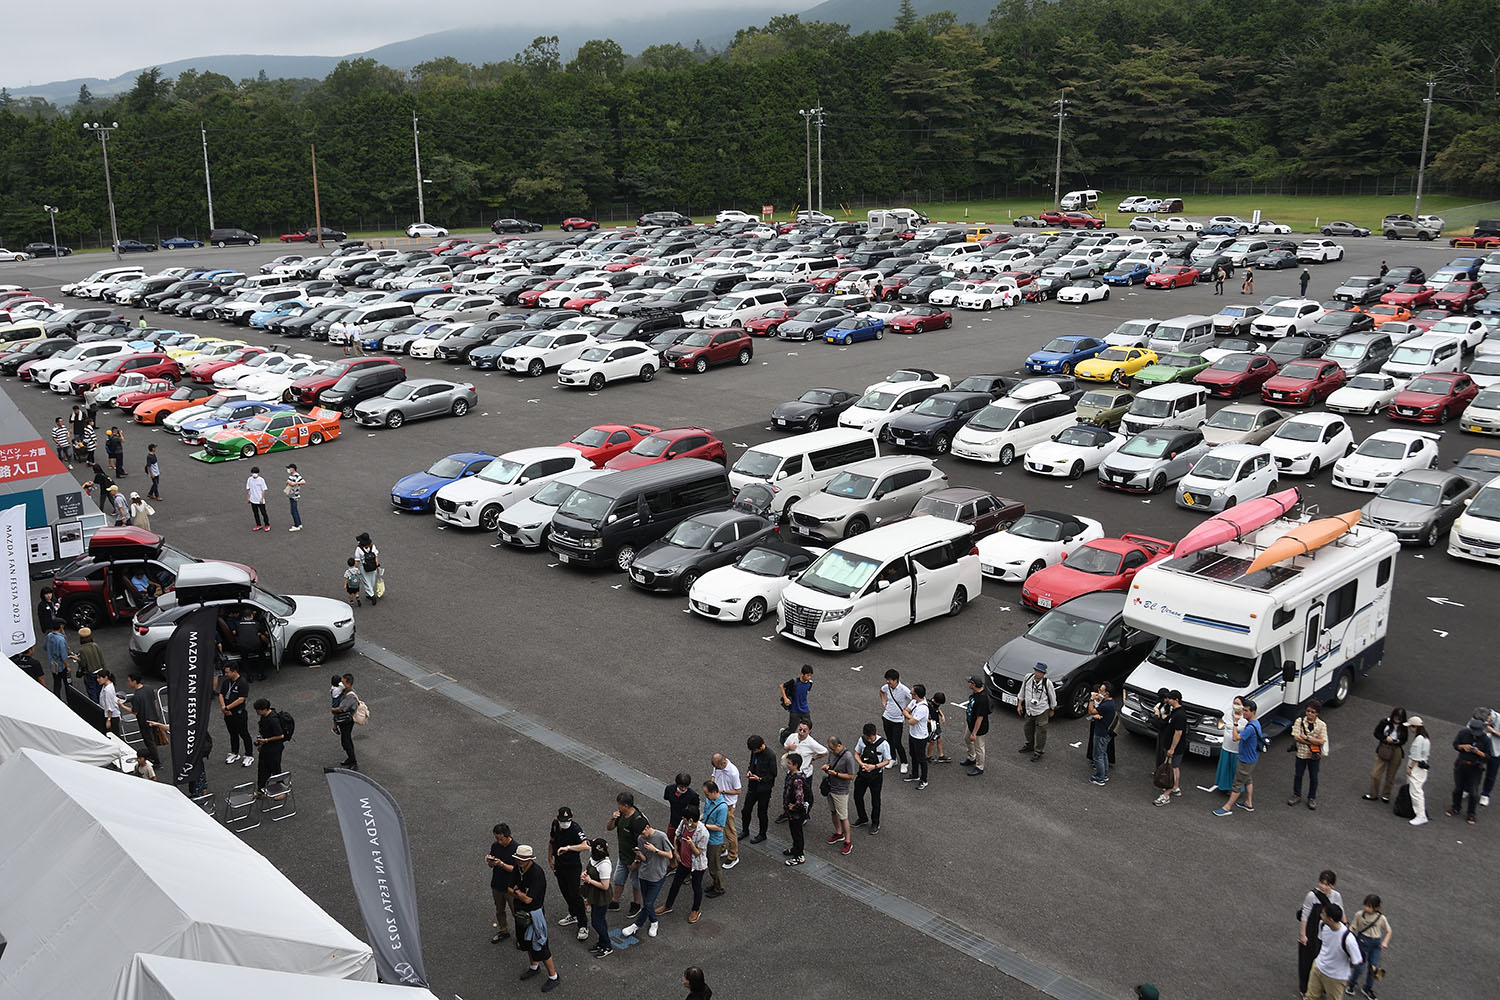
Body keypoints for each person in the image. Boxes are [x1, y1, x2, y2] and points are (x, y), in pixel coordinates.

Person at [511, 845, 560, 992]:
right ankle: (534, 966)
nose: (520, 861)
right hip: (521, 914)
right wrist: (520, 893)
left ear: (529, 859)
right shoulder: (517, 869)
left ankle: (554, 976)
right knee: (525, 942)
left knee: (540, 945)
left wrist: (517, 892)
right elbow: (509, 888)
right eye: (518, 858)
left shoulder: (537, 873)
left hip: (534, 915)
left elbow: (528, 900)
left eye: (523, 859)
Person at [620, 815, 671, 939]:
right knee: (647, 903)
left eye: (643, 832)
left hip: (657, 875)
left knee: (648, 903)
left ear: (647, 827)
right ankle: (647, 922)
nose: (642, 835)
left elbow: (670, 855)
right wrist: (638, 855)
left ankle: (644, 923)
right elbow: (645, 859)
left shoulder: (661, 836)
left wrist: (655, 850)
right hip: (644, 874)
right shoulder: (640, 839)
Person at [547, 806, 591, 939]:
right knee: (565, 891)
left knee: (575, 894)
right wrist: (550, 857)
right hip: (559, 865)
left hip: (572, 866)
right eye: (562, 820)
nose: (565, 822)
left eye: (567, 820)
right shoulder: (555, 825)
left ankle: (583, 925)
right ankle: (573, 914)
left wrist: (569, 848)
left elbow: (586, 845)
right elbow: (551, 841)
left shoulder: (575, 829)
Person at [657, 806, 707, 923]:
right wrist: (676, 852)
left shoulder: (703, 833)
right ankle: (668, 905)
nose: (682, 819)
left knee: (696, 887)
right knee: (675, 884)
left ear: (690, 820)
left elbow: (698, 852)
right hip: (683, 861)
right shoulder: (683, 824)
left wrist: (691, 845)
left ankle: (696, 910)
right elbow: (677, 835)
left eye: (684, 818)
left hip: (697, 865)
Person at [1298, 870, 1344, 995]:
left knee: (1323, 961)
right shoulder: (1312, 896)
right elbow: (1304, 915)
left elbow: (1341, 913)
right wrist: (1303, 934)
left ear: (1333, 885)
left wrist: (1345, 929)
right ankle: (1305, 989)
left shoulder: (1336, 896)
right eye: (1322, 883)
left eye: (1327, 884)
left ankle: (1320, 987)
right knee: (1307, 961)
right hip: (1312, 932)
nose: (1323, 886)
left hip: (1328, 933)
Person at [1303, 902, 1362, 1000]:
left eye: (1323, 914)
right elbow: (1323, 942)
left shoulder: (1348, 939)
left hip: (1336, 977)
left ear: (1330, 919)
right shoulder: (1323, 925)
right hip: (1318, 968)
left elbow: (1357, 961)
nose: (1321, 915)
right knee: (1310, 997)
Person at [1217, 699, 1262, 816]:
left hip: (1245, 759)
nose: (1244, 713)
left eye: (1246, 711)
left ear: (1253, 712)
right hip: (1252, 758)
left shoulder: (1250, 728)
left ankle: (1227, 807)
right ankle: (1248, 802)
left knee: (1237, 784)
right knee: (1248, 779)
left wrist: (1235, 723)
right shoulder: (1256, 724)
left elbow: (1235, 737)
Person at [606, 791, 647, 916]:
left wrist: (637, 861)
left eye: (619, 804)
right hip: (622, 855)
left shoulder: (637, 821)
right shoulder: (621, 816)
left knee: (636, 883)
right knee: (618, 879)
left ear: (626, 805)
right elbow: (609, 828)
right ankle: (615, 901)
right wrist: (613, 818)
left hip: (633, 859)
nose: (617, 806)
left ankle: (636, 904)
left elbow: (642, 844)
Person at [780, 721, 826, 821]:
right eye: (799, 729)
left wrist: (813, 759)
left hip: (804, 775)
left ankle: (804, 815)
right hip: (791, 772)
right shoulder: (792, 736)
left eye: (804, 730)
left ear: (809, 731)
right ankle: (786, 812)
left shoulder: (811, 743)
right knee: (788, 793)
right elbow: (785, 746)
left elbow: (824, 751)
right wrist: (789, 747)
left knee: (804, 796)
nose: (801, 732)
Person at [1448, 709, 1489, 824]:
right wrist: (1463, 746)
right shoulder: (1463, 733)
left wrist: (1478, 752)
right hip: (1461, 764)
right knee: (1458, 789)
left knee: (1473, 792)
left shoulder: (1485, 739)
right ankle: (1456, 807)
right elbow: (1455, 745)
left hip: (1475, 768)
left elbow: (1488, 756)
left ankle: (1471, 813)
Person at [820, 735, 857, 854]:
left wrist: (835, 773)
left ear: (840, 746)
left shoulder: (848, 757)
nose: (832, 751)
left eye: (834, 749)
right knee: (833, 812)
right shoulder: (832, 753)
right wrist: (827, 766)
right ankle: (838, 833)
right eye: (830, 749)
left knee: (843, 816)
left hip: (841, 791)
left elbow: (851, 776)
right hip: (831, 787)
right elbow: (830, 762)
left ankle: (847, 841)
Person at [1289, 699, 1328, 810]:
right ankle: (1296, 795)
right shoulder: (1299, 721)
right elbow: (1296, 737)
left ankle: (1312, 797)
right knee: (1298, 775)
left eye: (1312, 712)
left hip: (1314, 755)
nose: (1309, 714)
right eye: (1308, 711)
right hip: (1301, 754)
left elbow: (1322, 741)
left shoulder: (1322, 725)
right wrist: (1313, 740)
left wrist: (1306, 738)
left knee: (1314, 777)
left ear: (1317, 713)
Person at [1349, 895, 1391, 999]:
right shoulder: (1359, 915)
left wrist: (1385, 941)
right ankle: (1352, 983)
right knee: (1360, 967)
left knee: (1374, 968)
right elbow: (1352, 927)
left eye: (1369, 906)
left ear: (1376, 908)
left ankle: (1367, 988)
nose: (1366, 908)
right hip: (1363, 941)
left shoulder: (1381, 918)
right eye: (1365, 905)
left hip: (1376, 944)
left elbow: (1389, 930)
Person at [579, 838, 614, 957]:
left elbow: (605, 886)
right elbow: (589, 868)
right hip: (594, 894)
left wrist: (589, 880)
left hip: (601, 897)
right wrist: (585, 873)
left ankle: (607, 946)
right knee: (599, 919)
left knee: (596, 922)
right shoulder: (594, 858)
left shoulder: (605, 865)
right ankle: (602, 942)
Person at [1365, 706, 1408, 803]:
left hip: (1396, 750)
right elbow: (1376, 733)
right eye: (1396, 717)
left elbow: (1405, 739)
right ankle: (1373, 794)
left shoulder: (1404, 726)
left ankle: (1386, 795)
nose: (1397, 720)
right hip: (1384, 747)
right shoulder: (1385, 722)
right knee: (1375, 774)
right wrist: (1385, 738)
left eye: (1400, 719)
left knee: (1391, 775)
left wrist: (1398, 741)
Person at [122, 673, 164, 770]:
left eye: (129, 681)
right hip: (154, 718)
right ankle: (153, 756)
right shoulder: (149, 688)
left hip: (144, 721)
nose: (128, 683)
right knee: (153, 738)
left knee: (149, 741)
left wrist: (122, 706)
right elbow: (155, 702)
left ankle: (157, 761)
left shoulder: (137, 696)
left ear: (134, 681)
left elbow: (135, 712)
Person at [1017, 663, 1057, 763]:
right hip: (1029, 709)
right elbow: (1022, 691)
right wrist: (1019, 704)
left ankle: (1038, 751)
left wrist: (1052, 709)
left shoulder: (1047, 683)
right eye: (1037, 671)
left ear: (1044, 673)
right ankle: (1029, 745)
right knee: (1028, 729)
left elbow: (1053, 698)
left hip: (1042, 711)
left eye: (1041, 672)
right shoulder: (1028, 677)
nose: (1038, 674)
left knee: (1041, 733)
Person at [486, 823, 519, 944]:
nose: (499, 842)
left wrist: (501, 864)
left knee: (516, 912)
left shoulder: (516, 848)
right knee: (499, 909)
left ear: (507, 835)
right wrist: (490, 862)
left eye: (501, 839)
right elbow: (491, 864)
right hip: (497, 883)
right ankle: (503, 930)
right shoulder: (495, 846)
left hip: (511, 886)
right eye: (497, 839)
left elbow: (516, 870)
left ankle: (522, 935)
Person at [1154, 690, 1187, 806]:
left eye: (1170, 698)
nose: (1168, 700)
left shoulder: (1180, 715)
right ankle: (1175, 787)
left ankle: (1166, 795)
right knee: (1175, 767)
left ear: (1176, 700)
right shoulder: (1175, 712)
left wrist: (1172, 749)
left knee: (1171, 769)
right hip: (1172, 746)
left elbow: (1178, 733)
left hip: (1175, 748)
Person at [741, 735, 776, 843]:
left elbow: (773, 774)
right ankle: (745, 830)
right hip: (753, 786)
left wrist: (760, 778)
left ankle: (762, 834)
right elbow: (751, 764)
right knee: (746, 810)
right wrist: (749, 771)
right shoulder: (754, 752)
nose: (754, 752)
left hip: (764, 789)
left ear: (761, 747)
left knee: (762, 813)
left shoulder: (770, 755)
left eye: (755, 750)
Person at [709, 752, 741, 868]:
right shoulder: (717, 766)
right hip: (716, 800)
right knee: (716, 827)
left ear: (723, 763)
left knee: (729, 831)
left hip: (727, 804)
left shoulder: (733, 772)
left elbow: (738, 791)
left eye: (717, 767)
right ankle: (722, 849)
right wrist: (712, 784)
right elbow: (714, 775)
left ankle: (733, 856)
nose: (716, 769)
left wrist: (722, 791)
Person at [217, 663, 253, 767]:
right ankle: (234, 752)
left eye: (228, 672)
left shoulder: (242, 683)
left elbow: (241, 699)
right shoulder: (226, 682)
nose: (226, 674)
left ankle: (249, 755)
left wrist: (228, 708)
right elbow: (221, 694)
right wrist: (224, 707)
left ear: (235, 671)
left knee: (244, 734)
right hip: (227, 713)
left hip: (238, 713)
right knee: (232, 733)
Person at [879, 669, 912, 772]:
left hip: (898, 720)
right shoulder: (887, 687)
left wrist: (907, 711)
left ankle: (904, 762)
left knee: (897, 742)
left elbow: (915, 699)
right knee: (889, 741)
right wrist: (884, 702)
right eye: (886, 679)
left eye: (889, 680)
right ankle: (893, 759)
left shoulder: (904, 689)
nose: (887, 682)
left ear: (896, 680)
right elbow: (881, 691)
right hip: (887, 717)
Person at [1211, 696, 1246, 792]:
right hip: (1226, 745)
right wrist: (1233, 726)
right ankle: (1224, 786)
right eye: (1235, 703)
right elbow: (1223, 724)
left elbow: (1242, 728)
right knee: (1225, 767)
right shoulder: (1228, 713)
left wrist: (1233, 726)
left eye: (1238, 704)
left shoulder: (1244, 717)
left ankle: (1235, 788)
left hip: (1237, 748)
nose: (1236, 706)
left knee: (1235, 768)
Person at [700, 781, 728, 897]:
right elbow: (705, 813)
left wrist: (703, 825)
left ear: (714, 792)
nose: (706, 796)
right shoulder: (709, 801)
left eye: (707, 794)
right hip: (706, 835)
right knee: (710, 863)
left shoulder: (722, 807)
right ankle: (715, 884)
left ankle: (719, 888)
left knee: (714, 865)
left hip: (714, 840)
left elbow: (719, 827)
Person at [901, 685, 932, 788]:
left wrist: (909, 716)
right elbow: (905, 710)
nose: (910, 694)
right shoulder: (914, 702)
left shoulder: (923, 708)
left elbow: (912, 721)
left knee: (921, 758)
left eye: (912, 693)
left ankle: (924, 779)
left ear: (917, 695)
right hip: (913, 734)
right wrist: (909, 716)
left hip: (920, 737)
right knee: (913, 754)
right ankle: (915, 774)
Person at [252, 698, 286, 793]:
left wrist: (266, 740)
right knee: (262, 769)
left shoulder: (273, 720)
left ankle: (281, 790)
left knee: (275, 769)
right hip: (266, 748)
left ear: (264, 709)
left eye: (258, 710)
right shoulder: (264, 717)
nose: (257, 712)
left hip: (274, 748)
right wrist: (262, 744)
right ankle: (261, 790)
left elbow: (280, 735)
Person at [781, 754, 809, 866]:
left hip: (796, 814)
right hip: (792, 812)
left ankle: (799, 855)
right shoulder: (792, 775)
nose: (786, 765)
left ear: (795, 765)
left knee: (797, 833)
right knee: (794, 832)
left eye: (789, 763)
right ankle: (795, 849)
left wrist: (795, 807)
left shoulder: (797, 780)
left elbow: (800, 797)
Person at [1087, 682, 1116, 785]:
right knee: (1103, 753)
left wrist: (1091, 699)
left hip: (1101, 733)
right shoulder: (1111, 702)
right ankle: (1104, 774)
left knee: (1098, 755)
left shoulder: (1106, 705)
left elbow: (1091, 711)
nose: (1099, 692)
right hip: (1106, 732)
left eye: (1101, 691)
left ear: (1107, 693)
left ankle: (1100, 777)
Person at [962, 675, 991, 777]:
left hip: (978, 728)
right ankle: (971, 758)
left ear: (973, 685)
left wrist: (974, 733)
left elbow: (980, 718)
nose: (968, 683)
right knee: (966, 739)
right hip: (971, 724)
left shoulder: (982, 699)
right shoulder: (975, 693)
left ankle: (979, 767)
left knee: (979, 747)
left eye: (969, 682)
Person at [1405, 716, 1431, 825]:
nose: (1410, 729)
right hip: (1422, 766)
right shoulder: (1425, 738)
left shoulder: (1419, 739)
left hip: (1416, 767)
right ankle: (1417, 812)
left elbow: (1415, 757)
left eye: (1411, 726)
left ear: (1415, 727)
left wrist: (1410, 768)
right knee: (1416, 789)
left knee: (1415, 791)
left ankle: (1421, 815)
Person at [778, 664, 814, 741]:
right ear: (802, 674)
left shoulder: (810, 683)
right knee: (792, 729)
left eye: (810, 676)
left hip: (805, 709)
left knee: (808, 726)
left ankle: (804, 742)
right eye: (808, 675)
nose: (809, 678)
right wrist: (785, 698)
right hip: (795, 709)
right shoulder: (794, 682)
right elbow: (782, 686)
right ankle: (783, 735)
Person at [332, 673, 360, 769]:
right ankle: (350, 758)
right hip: (343, 719)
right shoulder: (344, 691)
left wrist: (333, 710)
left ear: (348, 683)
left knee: (346, 740)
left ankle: (353, 761)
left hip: (347, 721)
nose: (341, 684)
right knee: (346, 739)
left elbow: (340, 709)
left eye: (343, 682)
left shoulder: (350, 696)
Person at [44, 620, 74, 700]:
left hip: (53, 665)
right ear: (60, 626)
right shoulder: (61, 640)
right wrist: (67, 666)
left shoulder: (49, 635)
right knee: (68, 684)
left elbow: (45, 647)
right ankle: (70, 701)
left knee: (57, 685)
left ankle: (57, 700)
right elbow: (63, 656)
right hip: (61, 666)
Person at [76, 627, 105, 702]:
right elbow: (101, 658)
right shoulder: (95, 645)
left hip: (90, 673)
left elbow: (83, 664)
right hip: (100, 671)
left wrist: (77, 659)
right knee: (100, 690)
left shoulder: (82, 649)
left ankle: (95, 707)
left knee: (92, 691)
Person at [1481, 706, 1500, 807]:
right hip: (1481, 750)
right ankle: (1468, 789)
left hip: (1496, 752)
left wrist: (1492, 731)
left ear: (1490, 716)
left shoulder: (1499, 719)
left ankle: (1485, 794)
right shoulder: (1478, 717)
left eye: (1486, 721)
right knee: (1474, 770)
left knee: (1491, 774)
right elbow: (1469, 728)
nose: (1484, 723)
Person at [355, 533, 381, 605]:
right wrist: (377, 564)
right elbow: (376, 556)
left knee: (366, 581)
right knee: (372, 581)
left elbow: (357, 561)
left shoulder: (358, 549)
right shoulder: (373, 547)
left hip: (364, 567)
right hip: (373, 566)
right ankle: (369, 594)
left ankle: (372, 596)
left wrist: (355, 569)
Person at [96, 670, 122, 736]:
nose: (97, 680)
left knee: (114, 736)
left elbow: (110, 707)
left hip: (112, 717)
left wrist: (108, 720)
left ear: (106, 677)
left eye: (99, 678)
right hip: (109, 715)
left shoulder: (108, 690)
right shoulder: (106, 685)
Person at [245, 467, 269, 531]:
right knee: (255, 513)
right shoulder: (249, 479)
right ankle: (258, 524)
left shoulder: (261, 480)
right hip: (253, 499)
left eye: (255, 473)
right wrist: (248, 497)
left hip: (260, 500)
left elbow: (263, 490)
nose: (254, 474)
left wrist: (261, 498)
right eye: (253, 473)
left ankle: (267, 524)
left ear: (258, 473)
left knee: (263, 513)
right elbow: (249, 489)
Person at [928, 690, 949, 763]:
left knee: (939, 740)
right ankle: (928, 756)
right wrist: (930, 722)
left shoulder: (935, 703)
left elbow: (938, 709)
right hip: (931, 726)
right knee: (932, 741)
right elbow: (924, 717)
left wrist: (942, 715)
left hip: (935, 725)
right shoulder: (928, 706)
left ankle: (941, 756)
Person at [285, 463, 305, 531]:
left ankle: (297, 525)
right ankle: (299, 524)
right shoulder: (291, 476)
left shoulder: (296, 475)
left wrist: (295, 483)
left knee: (293, 511)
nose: (288, 470)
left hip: (294, 495)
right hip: (291, 494)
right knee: (295, 510)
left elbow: (303, 481)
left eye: (289, 468)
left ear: (293, 469)